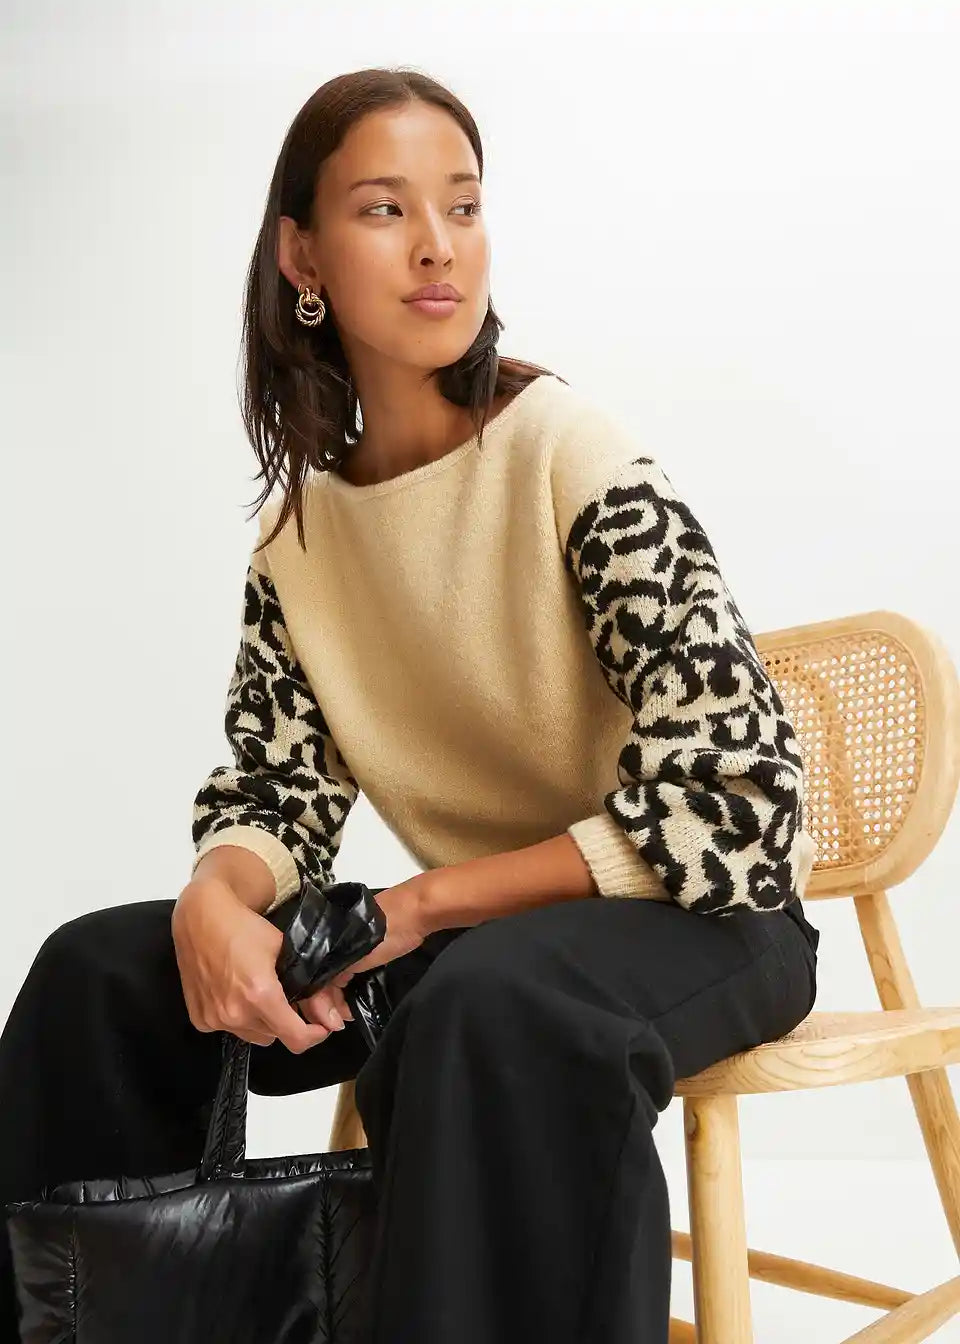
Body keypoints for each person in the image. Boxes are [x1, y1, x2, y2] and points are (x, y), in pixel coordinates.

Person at [0, 66, 821, 1344]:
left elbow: (743, 803)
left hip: (702, 913)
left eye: (464, 206)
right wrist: (216, 900)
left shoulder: (570, 456)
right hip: (487, 935)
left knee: (492, 1004)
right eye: (386, 210)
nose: (439, 246)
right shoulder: (303, 539)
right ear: (302, 255)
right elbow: (277, 793)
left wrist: (422, 904)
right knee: (103, 972)